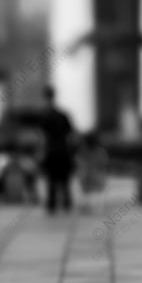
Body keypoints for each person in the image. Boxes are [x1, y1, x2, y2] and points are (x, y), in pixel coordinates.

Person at [39, 85, 76, 214]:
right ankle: (66, 203)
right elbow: (71, 134)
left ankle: (52, 204)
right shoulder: (62, 115)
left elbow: (42, 137)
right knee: (64, 179)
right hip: (63, 150)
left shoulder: (45, 116)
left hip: (52, 151)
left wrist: (41, 153)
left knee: (52, 179)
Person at [76, 131, 108, 214]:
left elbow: (79, 161)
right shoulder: (101, 150)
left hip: (87, 173)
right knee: (98, 191)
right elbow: (104, 163)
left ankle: (86, 206)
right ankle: (96, 207)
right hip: (96, 174)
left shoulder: (82, 150)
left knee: (86, 191)